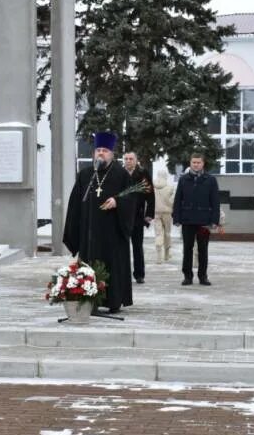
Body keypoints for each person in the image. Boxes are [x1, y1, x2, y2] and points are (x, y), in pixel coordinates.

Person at [63, 132, 135, 313]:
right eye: (98, 150)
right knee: (89, 264)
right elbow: (75, 204)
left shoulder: (121, 174)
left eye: (104, 150)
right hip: (90, 233)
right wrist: (74, 230)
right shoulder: (85, 175)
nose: (100, 153)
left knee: (112, 265)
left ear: (111, 154)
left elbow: (132, 198)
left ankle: (113, 301)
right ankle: (89, 300)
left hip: (112, 233)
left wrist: (118, 201)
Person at [172, 153, 220, 286]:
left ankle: (203, 276)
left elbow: (215, 202)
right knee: (187, 248)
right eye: (194, 162)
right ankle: (187, 276)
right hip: (187, 220)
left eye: (198, 162)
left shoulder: (210, 180)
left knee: (203, 249)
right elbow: (177, 200)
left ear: (203, 163)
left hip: (204, 221)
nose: (196, 164)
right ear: (190, 163)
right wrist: (176, 217)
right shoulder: (183, 179)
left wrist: (215, 221)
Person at [123, 152, 155, 283]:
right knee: (122, 247)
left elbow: (150, 194)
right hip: (122, 216)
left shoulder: (143, 173)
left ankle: (139, 274)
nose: (128, 161)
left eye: (131, 159)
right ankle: (123, 274)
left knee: (137, 246)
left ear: (136, 161)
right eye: (126, 159)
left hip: (137, 215)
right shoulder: (119, 173)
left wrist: (149, 214)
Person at [152, 168, 175, 264]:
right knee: (167, 233)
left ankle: (158, 256)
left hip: (156, 212)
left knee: (158, 234)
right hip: (167, 213)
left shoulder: (153, 187)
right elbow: (173, 201)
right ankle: (166, 253)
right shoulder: (170, 188)